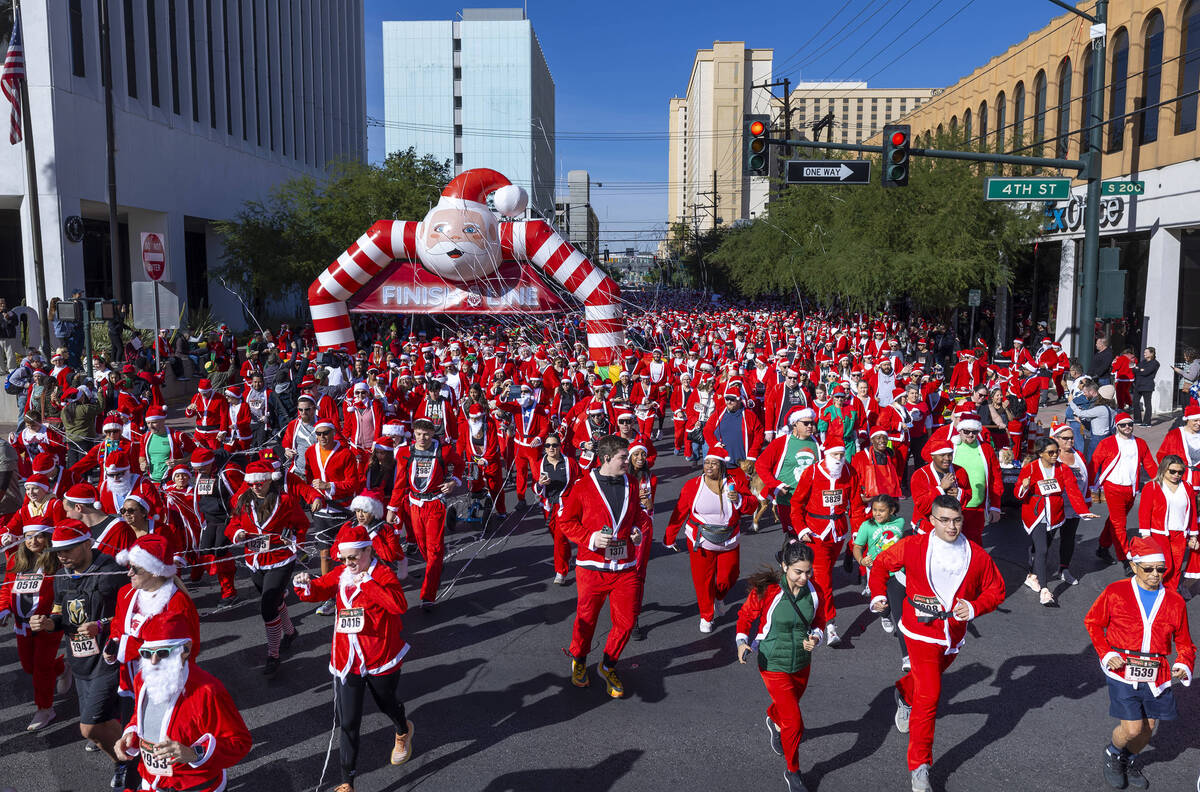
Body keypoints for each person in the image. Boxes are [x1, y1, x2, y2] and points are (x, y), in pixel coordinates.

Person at [868, 496, 1006, 792]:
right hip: (919, 633)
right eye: (944, 520)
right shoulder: (913, 546)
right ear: (932, 520)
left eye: (956, 520)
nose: (952, 526)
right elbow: (880, 565)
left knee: (920, 684)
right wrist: (878, 596)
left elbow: (997, 590)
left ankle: (903, 692)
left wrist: (974, 607)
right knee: (929, 698)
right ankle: (920, 766)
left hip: (952, 636)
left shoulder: (977, 555)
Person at [293, 524, 414, 792]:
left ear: (368, 551)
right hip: (346, 659)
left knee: (387, 704)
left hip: (379, 655)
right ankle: (347, 782)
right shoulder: (341, 573)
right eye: (344, 558)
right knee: (348, 722)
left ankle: (402, 729)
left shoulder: (381, 573)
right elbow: (318, 590)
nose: (349, 564)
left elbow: (398, 605)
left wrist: (368, 584)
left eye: (354, 558)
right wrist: (304, 584)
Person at [1084, 538, 1194, 791]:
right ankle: (1113, 754)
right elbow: (1093, 622)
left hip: (1157, 673)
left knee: (1150, 727)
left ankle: (1130, 759)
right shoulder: (1116, 592)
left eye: (1161, 569)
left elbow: (1185, 642)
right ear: (1134, 567)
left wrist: (1183, 663)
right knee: (1133, 729)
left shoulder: (1175, 601)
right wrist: (1106, 653)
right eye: (1149, 569)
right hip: (1123, 669)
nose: (1156, 574)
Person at [31, 521, 133, 788]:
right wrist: (47, 622)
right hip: (80, 661)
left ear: (87, 543)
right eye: (58, 551)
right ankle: (129, 762)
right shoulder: (63, 575)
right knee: (106, 720)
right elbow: (58, 611)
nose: (62, 556)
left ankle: (127, 764)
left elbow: (133, 612)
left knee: (89, 727)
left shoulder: (112, 572)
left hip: (109, 659)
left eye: (68, 550)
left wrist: (101, 625)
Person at [113, 613, 253, 792]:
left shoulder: (208, 691)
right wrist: (131, 734)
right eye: (147, 654)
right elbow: (142, 716)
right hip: (151, 782)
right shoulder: (142, 679)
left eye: (163, 653)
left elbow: (240, 742)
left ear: (185, 650)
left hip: (197, 787)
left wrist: (194, 754)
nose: (154, 661)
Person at [557, 434, 651, 698]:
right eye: (624, 457)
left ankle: (608, 664)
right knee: (587, 619)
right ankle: (579, 660)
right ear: (607, 458)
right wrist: (589, 537)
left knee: (627, 620)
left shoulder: (632, 483)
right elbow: (565, 522)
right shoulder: (583, 486)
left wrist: (636, 531)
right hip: (592, 566)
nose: (628, 461)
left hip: (625, 566)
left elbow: (639, 516)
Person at [735, 538, 828, 792]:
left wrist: (816, 638)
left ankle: (773, 718)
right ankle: (793, 771)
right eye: (798, 571)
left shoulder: (815, 591)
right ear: (785, 566)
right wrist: (742, 642)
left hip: (801, 663)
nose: (804, 577)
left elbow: (820, 622)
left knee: (787, 712)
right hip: (772, 662)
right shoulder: (769, 591)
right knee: (795, 723)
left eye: (808, 571)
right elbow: (745, 616)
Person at [227, 460, 306, 675]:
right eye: (252, 483)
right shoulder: (243, 501)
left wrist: (293, 537)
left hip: (281, 559)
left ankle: (273, 654)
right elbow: (233, 524)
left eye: (260, 483)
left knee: (268, 606)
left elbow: (301, 524)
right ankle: (290, 632)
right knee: (274, 598)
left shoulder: (286, 500)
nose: (256, 487)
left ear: (270, 481)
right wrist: (238, 533)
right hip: (254, 560)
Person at [664, 447, 755, 633]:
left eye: (713, 463)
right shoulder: (692, 485)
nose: (709, 466)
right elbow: (680, 512)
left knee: (729, 576)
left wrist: (739, 499)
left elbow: (752, 506)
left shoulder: (735, 482)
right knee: (702, 581)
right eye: (706, 463)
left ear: (722, 466)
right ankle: (706, 615)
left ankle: (719, 596)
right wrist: (670, 537)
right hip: (700, 540)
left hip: (728, 540)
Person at [107, 534, 202, 699]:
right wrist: (113, 643)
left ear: (155, 572)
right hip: (129, 680)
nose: (129, 573)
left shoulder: (177, 602)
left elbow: (188, 647)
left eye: (135, 568)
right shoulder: (125, 593)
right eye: (129, 566)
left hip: (163, 685)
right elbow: (117, 624)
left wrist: (128, 646)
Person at [0, 520, 68, 731]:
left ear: (48, 538)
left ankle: (45, 709)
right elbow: (6, 590)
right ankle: (63, 668)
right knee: (29, 666)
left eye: (38, 536)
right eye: (28, 536)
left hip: (47, 624)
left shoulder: (56, 563)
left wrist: (53, 618)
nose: (33, 541)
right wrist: (3, 609)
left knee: (40, 667)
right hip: (21, 626)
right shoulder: (15, 560)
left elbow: (64, 592)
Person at [389, 418, 462, 611]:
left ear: (432, 433)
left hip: (435, 503)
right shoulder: (405, 452)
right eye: (419, 434)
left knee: (435, 548)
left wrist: (453, 481)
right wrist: (392, 508)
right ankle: (435, 567)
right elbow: (399, 483)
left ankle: (428, 595)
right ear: (413, 433)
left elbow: (460, 465)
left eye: (426, 434)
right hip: (414, 504)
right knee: (423, 546)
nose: (422, 438)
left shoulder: (444, 451)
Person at [1015, 437, 1098, 606]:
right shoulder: (1030, 468)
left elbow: (1074, 491)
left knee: (1042, 546)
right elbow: (1018, 494)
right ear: (1040, 453)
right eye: (1051, 452)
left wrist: (1084, 511)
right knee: (1043, 550)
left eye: (1057, 452)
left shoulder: (1063, 469)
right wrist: (1024, 486)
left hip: (1054, 514)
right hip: (1036, 513)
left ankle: (1032, 575)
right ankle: (1045, 591)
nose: (1055, 455)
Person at [789, 444, 858, 646]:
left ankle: (806, 605)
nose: (839, 458)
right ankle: (830, 626)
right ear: (826, 454)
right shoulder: (812, 472)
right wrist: (802, 530)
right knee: (824, 579)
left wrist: (857, 533)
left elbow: (857, 506)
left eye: (842, 454)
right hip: (815, 534)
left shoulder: (849, 471)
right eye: (835, 454)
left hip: (837, 534)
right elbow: (796, 503)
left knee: (821, 576)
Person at [1092, 413, 1158, 569]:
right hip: (1112, 487)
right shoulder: (1107, 443)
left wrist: (1162, 482)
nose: (1127, 427)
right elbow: (1094, 463)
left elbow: (1149, 465)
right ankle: (1126, 559)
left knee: (1115, 521)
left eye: (1130, 424)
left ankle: (1103, 546)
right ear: (1117, 427)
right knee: (1119, 524)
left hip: (1131, 490)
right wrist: (1087, 486)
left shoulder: (1140, 443)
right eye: (1123, 425)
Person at [852, 494, 909, 668]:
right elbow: (857, 547)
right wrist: (861, 561)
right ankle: (885, 616)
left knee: (901, 616)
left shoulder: (899, 523)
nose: (877, 514)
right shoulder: (866, 526)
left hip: (898, 574)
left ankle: (906, 656)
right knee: (883, 606)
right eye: (875, 510)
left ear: (891, 510)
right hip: (877, 573)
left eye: (881, 511)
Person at [1136, 455, 1200, 598]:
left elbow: (1193, 513)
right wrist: (1145, 534)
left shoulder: (1187, 487)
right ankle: (1154, 592)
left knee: (1176, 567)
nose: (1176, 475)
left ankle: (1169, 596)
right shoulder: (1152, 486)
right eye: (1172, 471)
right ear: (1164, 469)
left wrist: (1194, 535)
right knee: (1165, 566)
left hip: (1180, 534)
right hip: (1158, 534)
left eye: (1180, 472)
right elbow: (1144, 512)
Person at [756, 408, 822, 536]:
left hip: (811, 501)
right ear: (795, 423)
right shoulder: (781, 442)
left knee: (811, 538)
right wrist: (775, 485)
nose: (810, 426)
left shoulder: (817, 443)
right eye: (806, 423)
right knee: (794, 537)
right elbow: (761, 465)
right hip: (788, 499)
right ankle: (784, 554)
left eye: (812, 423)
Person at [533, 433, 579, 585]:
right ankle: (566, 556)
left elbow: (579, 481)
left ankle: (561, 571)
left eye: (554, 445)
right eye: (547, 446)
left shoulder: (570, 462)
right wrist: (540, 484)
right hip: (547, 506)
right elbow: (535, 487)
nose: (551, 448)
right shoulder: (540, 463)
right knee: (557, 537)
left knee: (560, 537)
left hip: (565, 505)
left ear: (560, 446)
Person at [1049, 424, 1091, 586]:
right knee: (1046, 539)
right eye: (1065, 438)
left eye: (1071, 437)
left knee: (1068, 539)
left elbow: (1086, 478)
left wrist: (1086, 501)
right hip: (1055, 505)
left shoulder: (1079, 455)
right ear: (1056, 439)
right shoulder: (1051, 456)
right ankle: (1035, 571)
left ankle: (1064, 569)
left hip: (1074, 507)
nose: (1070, 441)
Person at [1132, 347, 1159, 427]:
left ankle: (1147, 422)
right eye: (1144, 352)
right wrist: (1140, 369)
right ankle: (1137, 420)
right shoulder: (1142, 362)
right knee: (1135, 402)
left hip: (1147, 386)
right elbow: (1134, 370)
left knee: (1147, 404)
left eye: (1146, 352)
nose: (1144, 354)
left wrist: (1139, 369)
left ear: (1151, 353)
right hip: (1138, 385)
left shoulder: (1155, 363)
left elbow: (1146, 372)